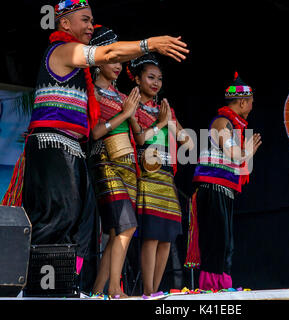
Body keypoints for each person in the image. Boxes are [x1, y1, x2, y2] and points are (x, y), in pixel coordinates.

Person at [2, 0, 189, 289]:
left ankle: (57, 288)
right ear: (65, 23)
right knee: (56, 221)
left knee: (70, 223)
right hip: (55, 146)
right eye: (85, 20)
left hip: (71, 148)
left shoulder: (82, 71)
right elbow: (109, 52)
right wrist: (150, 43)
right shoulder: (64, 49)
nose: (91, 26)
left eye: (92, 21)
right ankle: (42, 292)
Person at [185, 72, 262, 291]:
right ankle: (210, 289)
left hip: (223, 189)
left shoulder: (235, 125)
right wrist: (247, 152)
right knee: (215, 243)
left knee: (225, 243)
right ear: (243, 102)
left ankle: (221, 286)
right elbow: (233, 153)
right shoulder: (222, 122)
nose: (252, 107)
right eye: (251, 103)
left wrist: (245, 153)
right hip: (212, 188)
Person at [126, 53, 194, 295]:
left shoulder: (164, 109)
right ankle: (147, 289)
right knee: (152, 235)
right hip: (146, 175)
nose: (156, 83)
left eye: (159, 79)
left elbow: (189, 143)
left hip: (166, 177)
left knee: (167, 237)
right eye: (150, 77)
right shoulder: (131, 104)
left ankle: (155, 291)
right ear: (137, 80)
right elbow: (140, 137)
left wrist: (169, 121)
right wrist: (161, 123)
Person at [88, 25, 142, 299]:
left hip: (128, 165)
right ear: (99, 60)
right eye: (113, 59)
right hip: (104, 160)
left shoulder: (122, 97)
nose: (119, 65)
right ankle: (114, 288)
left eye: (122, 60)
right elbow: (95, 132)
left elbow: (141, 138)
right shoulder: (92, 93)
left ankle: (99, 290)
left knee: (116, 231)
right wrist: (125, 114)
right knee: (126, 226)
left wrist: (138, 116)